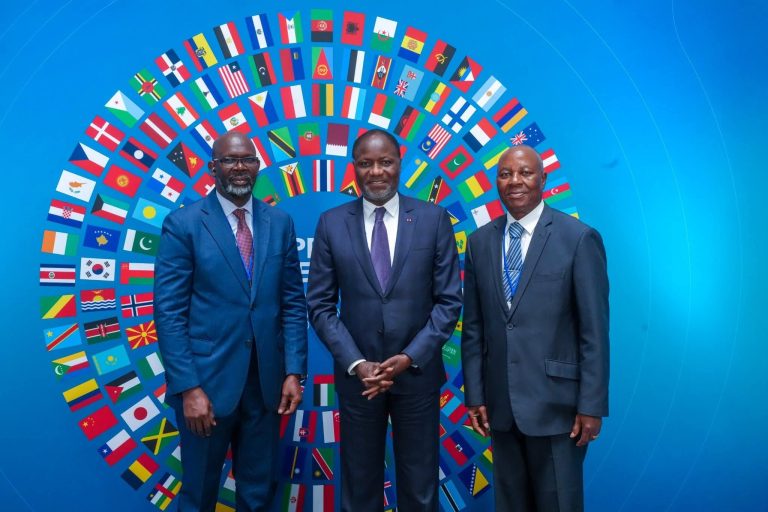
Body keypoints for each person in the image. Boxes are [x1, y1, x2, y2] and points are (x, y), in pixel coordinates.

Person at [307, 129, 462, 511]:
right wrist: (357, 363)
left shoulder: (433, 219)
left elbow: (448, 302)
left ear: (399, 165)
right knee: (359, 489)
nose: (376, 171)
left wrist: (409, 357)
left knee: (420, 490)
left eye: (385, 162)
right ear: (354, 168)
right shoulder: (331, 223)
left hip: (417, 376)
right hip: (359, 381)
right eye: (366, 163)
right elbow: (320, 305)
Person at [154, 131, 307, 511]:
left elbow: (292, 302)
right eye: (230, 160)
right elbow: (169, 314)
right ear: (213, 167)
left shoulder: (280, 222)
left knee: (258, 495)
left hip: (266, 385)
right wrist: (189, 388)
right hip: (206, 386)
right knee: (199, 494)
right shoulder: (184, 224)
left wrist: (293, 371)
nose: (240, 167)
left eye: (247, 160)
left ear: (258, 166)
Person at [461, 145, 609, 511]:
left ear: (543, 179)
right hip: (500, 409)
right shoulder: (479, 243)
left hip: (559, 409)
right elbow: (474, 328)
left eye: (525, 173)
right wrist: (475, 395)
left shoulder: (578, 238)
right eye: (505, 174)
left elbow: (594, 332)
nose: (515, 181)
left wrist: (591, 405)